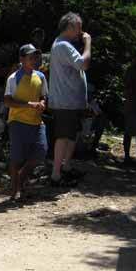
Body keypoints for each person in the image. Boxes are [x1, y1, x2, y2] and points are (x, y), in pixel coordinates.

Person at [48, 12, 92, 187]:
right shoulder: (63, 45)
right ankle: (56, 175)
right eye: (79, 26)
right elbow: (83, 64)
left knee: (71, 135)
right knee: (63, 136)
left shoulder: (64, 45)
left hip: (71, 101)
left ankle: (65, 168)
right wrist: (88, 43)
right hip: (65, 101)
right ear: (71, 26)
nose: (81, 31)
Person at [4, 44, 48, 201]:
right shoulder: (13, 78)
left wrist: (42, 103)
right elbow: (7, 101)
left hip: (36, 122)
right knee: (16, 157)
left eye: (35, 57)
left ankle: (20, 179)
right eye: (30, 57)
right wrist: (29, 105)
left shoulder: (40, 77)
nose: (34, 60)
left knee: (40, 153)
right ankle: (15, 190)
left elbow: (43, 95)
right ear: (22, 59)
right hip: (17, 121)